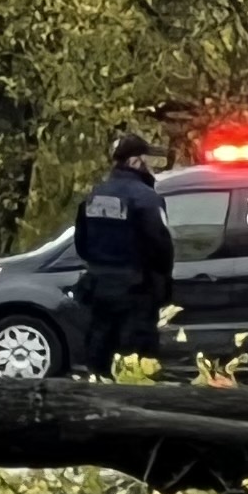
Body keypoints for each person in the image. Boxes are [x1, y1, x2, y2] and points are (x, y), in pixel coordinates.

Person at [71, 132, 172, 367]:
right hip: (135, 292)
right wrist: (162, 286)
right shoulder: (146, 198)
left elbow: (81, 243)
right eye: (148, 160)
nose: (152, 167)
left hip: (99, 288)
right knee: (135, 359)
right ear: (135, 162)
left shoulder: (95, 195)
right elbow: (161, 247)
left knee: (99, 351)